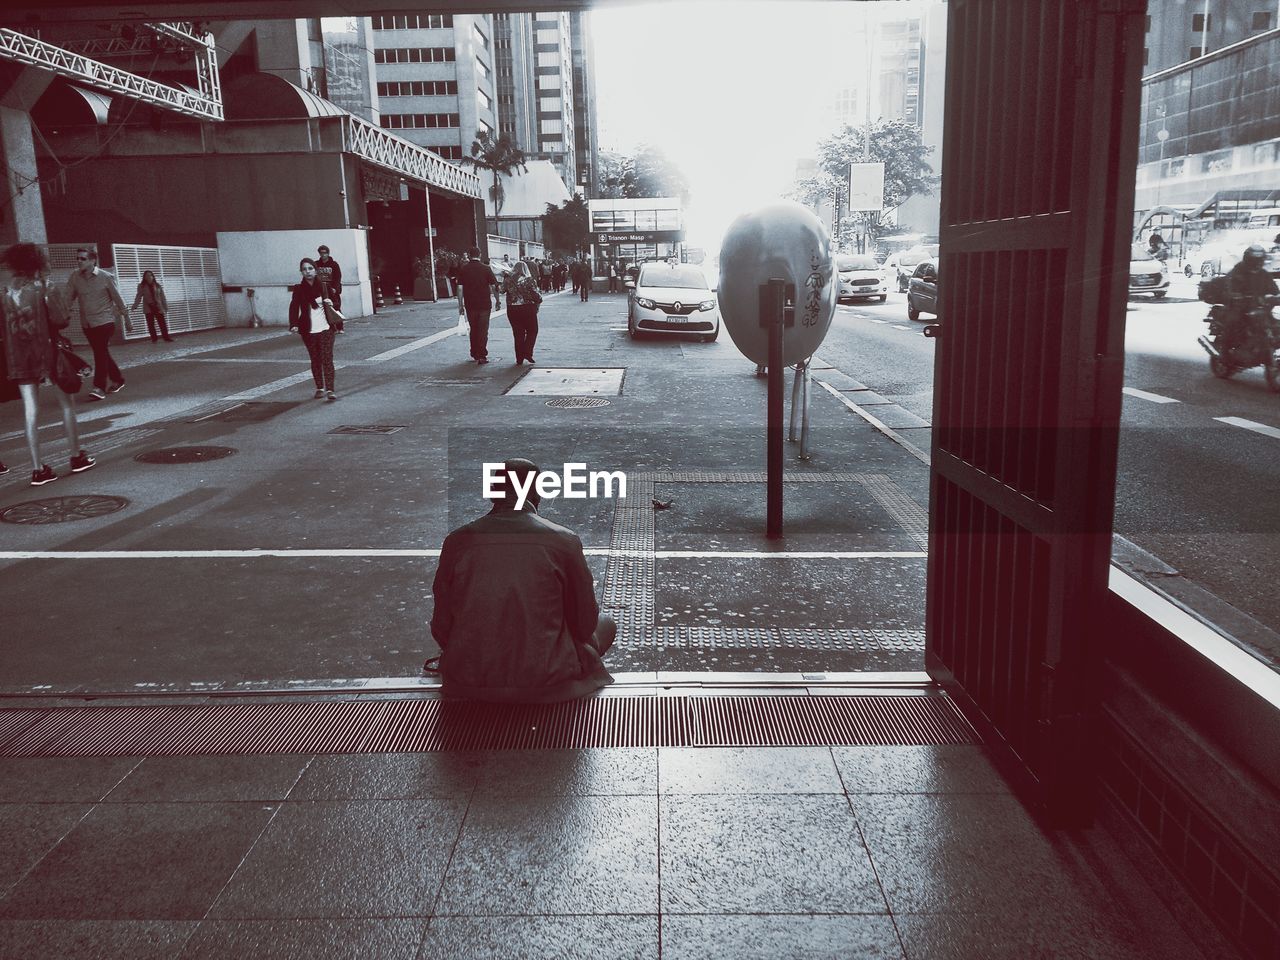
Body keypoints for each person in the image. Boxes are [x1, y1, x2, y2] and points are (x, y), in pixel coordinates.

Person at [429, 457, 616, 702]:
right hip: (547, 679)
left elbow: (442, 626)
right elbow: (585, 624)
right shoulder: (563, 540)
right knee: (606, 623)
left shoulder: (457, 541)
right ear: (536, 493)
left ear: (492, 492)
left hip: (468, 679)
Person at [0, 243, 95, 486]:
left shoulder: (6, 293)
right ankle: (76, 456)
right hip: (48, 353)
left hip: (20, 357)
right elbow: (61, 319)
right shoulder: (43, 286)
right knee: (66, 404)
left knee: (30, 410)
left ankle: (38, 469)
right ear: (36, 263)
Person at [65, 247, 128, 401]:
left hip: (105, 321)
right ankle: (118, 379)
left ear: (93, 260)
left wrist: (128, 319)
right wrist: (63, 313)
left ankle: (99, 387)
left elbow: (118, 299)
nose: (79, 261)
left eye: (83, 258)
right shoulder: (75, 277)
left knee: (99, 352)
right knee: (102, 352)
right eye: (78, 258)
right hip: (87, 324)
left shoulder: (106, 277)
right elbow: (68, 298)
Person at [288, 258, 341, 401]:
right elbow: (294, 307)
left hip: (326, 328)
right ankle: (319, 387)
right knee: (315, 359)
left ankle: (330, 389)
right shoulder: (299, 289)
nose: (307, 272)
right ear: (301, 272)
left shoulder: (324, 286)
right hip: (308, 330)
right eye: (304, 269)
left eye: (310, 268)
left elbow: (336, 302)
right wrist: (294, 324)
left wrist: (332, 302)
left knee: (327, 358)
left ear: (316, 270)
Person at [1219, 242, 1280, 354]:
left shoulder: (1264, 274)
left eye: (1260, 260)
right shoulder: (1238, 270)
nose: (1257, 263)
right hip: (1240, 307)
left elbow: (1274, 289)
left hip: (1260, 308)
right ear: (1248, 259)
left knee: (1275, 325)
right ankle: (1225, 351)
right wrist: (1237, 295)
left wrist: (1276, 297)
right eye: (1254, 260)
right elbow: (1230, 285)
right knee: (1234, 322)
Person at [456, 246, 502, 365]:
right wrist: (497, 301)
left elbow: (460, 289)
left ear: (469, 255)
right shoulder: (486, 269)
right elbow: (494, 286)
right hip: (484, 304)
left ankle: (474, 352)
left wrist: (460, 305)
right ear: (480, 255)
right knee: (483, 330)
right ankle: (482, 355)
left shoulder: (464, 269)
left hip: (470, 304)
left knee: (474, 328)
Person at [503, 260, 542, 365]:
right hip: (528, 308)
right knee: (532, 330)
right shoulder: (529, 280)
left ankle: (519, 358)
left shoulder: (508, 280)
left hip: (512, 309)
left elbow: (501, 290)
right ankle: (527, 352)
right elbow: (536, 294)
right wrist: (538, 301)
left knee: (518, 333)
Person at [130, 270, 173, 343]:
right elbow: (138, 296)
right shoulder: (141, 286)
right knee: (151, 324)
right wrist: (135, 305)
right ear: (144, 277)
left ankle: (166, 337)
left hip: (158, 307)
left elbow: (163, 297)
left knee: (162, 323)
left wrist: (165, 307)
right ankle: (154, 339)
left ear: (153, 276)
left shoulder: (157, 285)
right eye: (147, 276)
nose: (149, 277)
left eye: (150, 275)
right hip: (148, 307)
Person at [315, 245, 343, 310]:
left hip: (332, 290)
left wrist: (335, 288)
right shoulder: (316, 264)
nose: (323, 255)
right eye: (321, 253)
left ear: (328, 253)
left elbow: (338, 277)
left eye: (325, 253)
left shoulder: (334, 264)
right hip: (320, 290)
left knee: (335, 308)